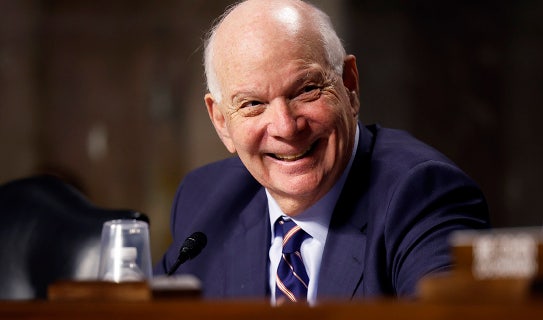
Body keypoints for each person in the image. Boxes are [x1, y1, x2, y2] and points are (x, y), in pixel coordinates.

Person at [154, 0, 490, 304]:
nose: (285, 127)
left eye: (306, 90)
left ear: (350, 86)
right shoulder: (205, 200)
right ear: (221, 121)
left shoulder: (422, 195)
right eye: (253, 104)